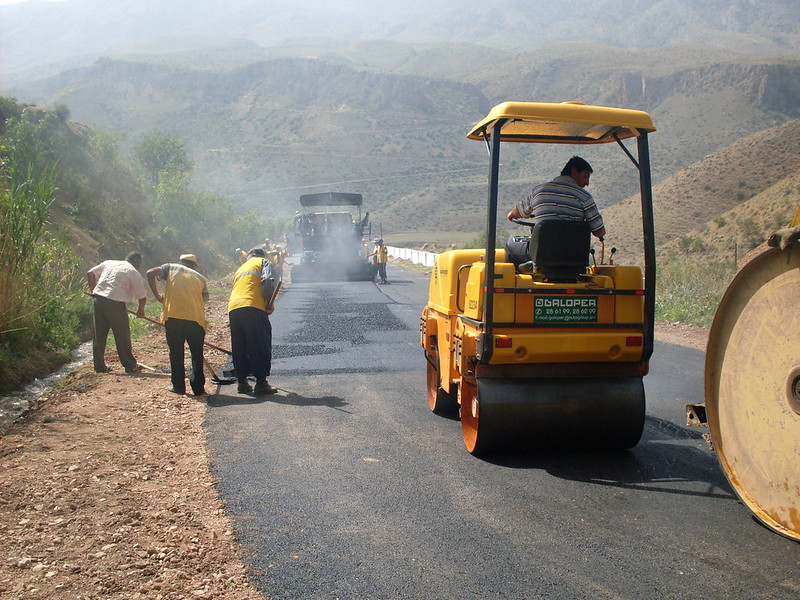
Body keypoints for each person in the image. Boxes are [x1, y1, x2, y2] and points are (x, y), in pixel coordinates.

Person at [505, 156, 605, 269]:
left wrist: (511, 215)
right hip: (573, 258)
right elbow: (599, 232)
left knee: (511, 244)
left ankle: (516, 284)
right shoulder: (585, 197)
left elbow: (519, 211)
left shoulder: (539, 191)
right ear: (574, 172)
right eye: (585, 177)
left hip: (542, 254)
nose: (587, 183)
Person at [146, 254, 209, 396]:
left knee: (176, 353)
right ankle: (198, 389)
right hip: (196, 319)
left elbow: (150, 273)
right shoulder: (200, 278)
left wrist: (157, 296)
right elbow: (204, 299)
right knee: (197, 354)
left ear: (181, 262)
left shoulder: (170, 268)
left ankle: (178, 387)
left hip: (174, 317)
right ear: (194, 265)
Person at [228, 247, 278, 396]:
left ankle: (242, 382)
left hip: (234, 307)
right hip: (253, 306)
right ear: (262, 255)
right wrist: (269, 302)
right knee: (259, 343)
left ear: (249, 256)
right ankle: (261, 383)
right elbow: (268, 280)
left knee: (240, 345)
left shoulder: (240, 268)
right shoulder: (264, 262)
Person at [86, 251, 148, 374]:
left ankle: (99, 367)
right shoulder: (132, 272)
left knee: (99, 335)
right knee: (122, 335)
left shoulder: (109, 263)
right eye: (139, 263)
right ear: (136, 261)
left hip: (98, 300)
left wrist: (93, 291)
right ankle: (130, 365)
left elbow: (90, 273)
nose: (139, 266)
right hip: (115, 304)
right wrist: (141, 310)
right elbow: (142, 296)